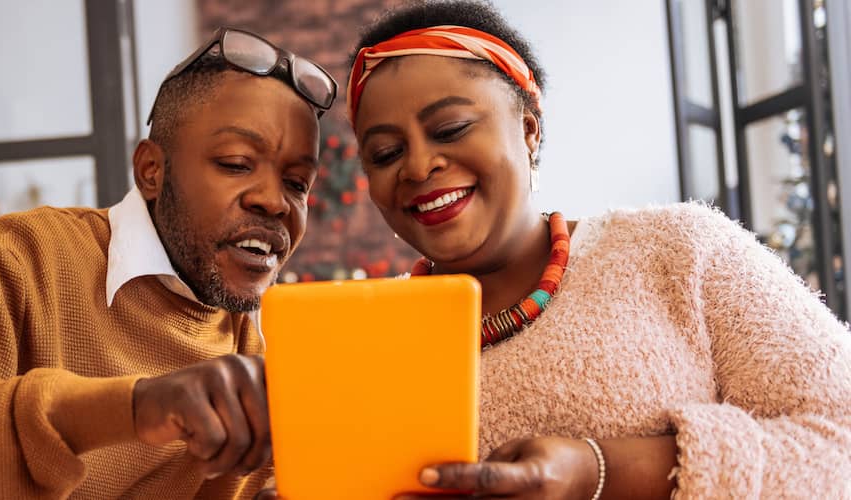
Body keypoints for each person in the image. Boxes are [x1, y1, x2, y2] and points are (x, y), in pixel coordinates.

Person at [0, 27, 336, 499]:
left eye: (297, 183)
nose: (275, 201)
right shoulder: (32, 258)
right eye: (237, 163)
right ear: (151, 171)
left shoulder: (260, 338)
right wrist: (138, 406)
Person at [344, 1, 851, 499]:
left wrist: (601, 472)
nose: (416, 167)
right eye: (386, 154)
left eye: (450, 129)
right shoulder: (367, 341)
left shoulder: (677, 250)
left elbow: (840, 439)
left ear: (528, 128)